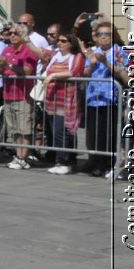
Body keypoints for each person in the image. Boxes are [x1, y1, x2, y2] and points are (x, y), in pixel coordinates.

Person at [82, 21, 132, 178]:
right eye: (100, 34)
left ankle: (110, 164)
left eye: (107, 34)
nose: (103, 38)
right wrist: (91, 64)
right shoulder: (92, 51)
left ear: (113, 36)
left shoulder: (119, 52)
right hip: (93, 97)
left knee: (110, 133)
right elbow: (85, 74)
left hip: (111, 98)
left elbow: (124, 75)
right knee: (95, 133)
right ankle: (98, 163)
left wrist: (106, 63)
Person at [0, 24, 40, 170]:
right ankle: (17, 155)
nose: (12, 35)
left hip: (24, 95)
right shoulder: (6, 49)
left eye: (16, 33)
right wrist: (1, 66)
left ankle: (23, 157)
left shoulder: (29, 50)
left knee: (24, 127)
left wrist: (8, 64)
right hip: (8, 93)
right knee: (13, 128)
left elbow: (27, 70)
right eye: (10, 33)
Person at [41, 29, 84, 175]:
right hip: (52, 99)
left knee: (62, 132)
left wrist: (54, 75)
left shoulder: (76, 56)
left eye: (64, 41)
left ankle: (65, 162)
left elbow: (75, 72)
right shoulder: (55, 56)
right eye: (59, 40)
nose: (60, 43)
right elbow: (39, 53)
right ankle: (60, 161)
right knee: (55, 131)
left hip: (67, 100)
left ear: (71, 44)